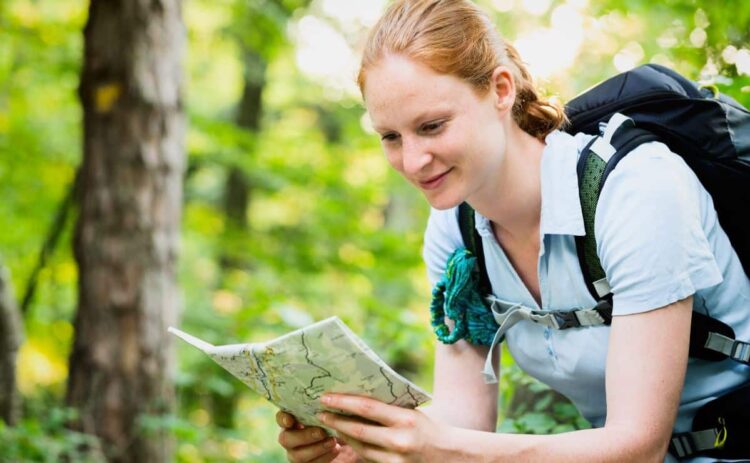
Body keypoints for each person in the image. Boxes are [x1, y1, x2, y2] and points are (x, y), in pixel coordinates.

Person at [275, 0, 750, 461]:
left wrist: (437, 448)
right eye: (391, 137)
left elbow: (636, 448)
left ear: (501, 90)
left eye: (433, 126)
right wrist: (371, 447)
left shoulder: (635, 187)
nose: (413, 161)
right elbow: (464, 424)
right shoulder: (456, 230)